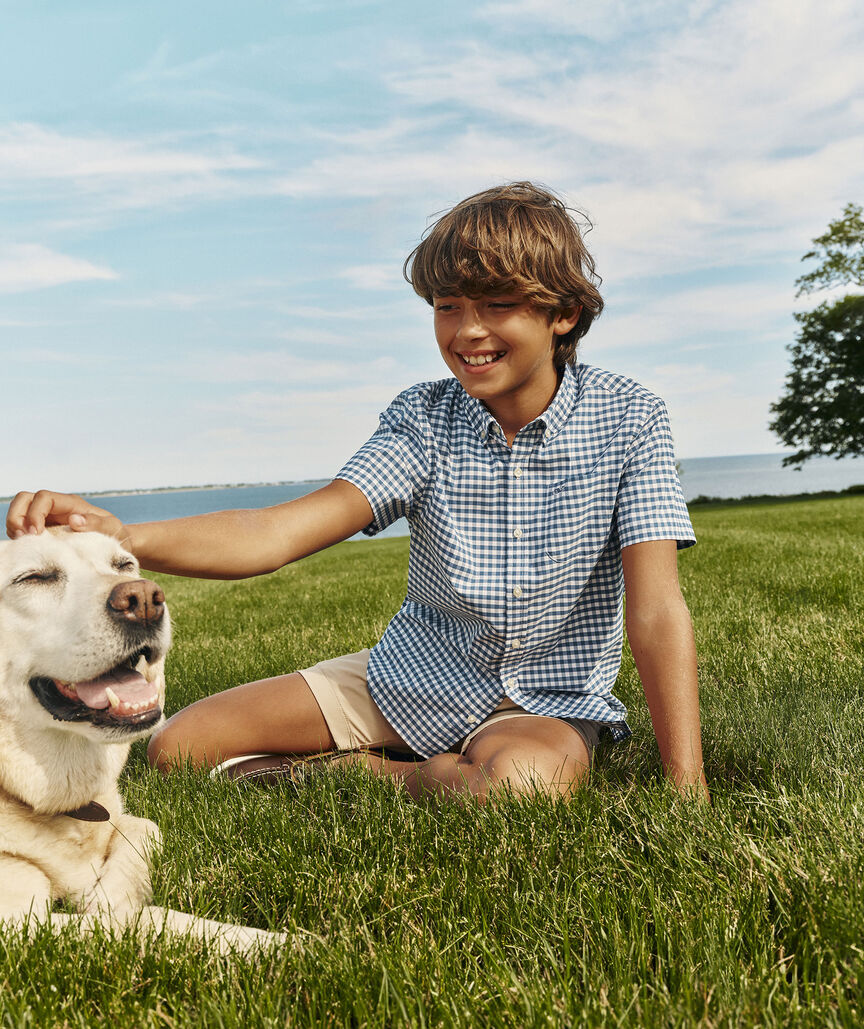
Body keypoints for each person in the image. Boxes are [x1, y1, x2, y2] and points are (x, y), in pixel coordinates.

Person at [5, 182, 708, 803]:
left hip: (542, 703)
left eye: (498, 305)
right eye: (447, 305)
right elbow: (278, 531)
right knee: (179, 747)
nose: (467, 330)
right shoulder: (424, 418)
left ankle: (364, 772)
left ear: (563, 315)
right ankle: (406, 758)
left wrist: (687, 784)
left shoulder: (631, 419)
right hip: (410, 679)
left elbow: (656, 611)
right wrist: (121, 537)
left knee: (518, 788)